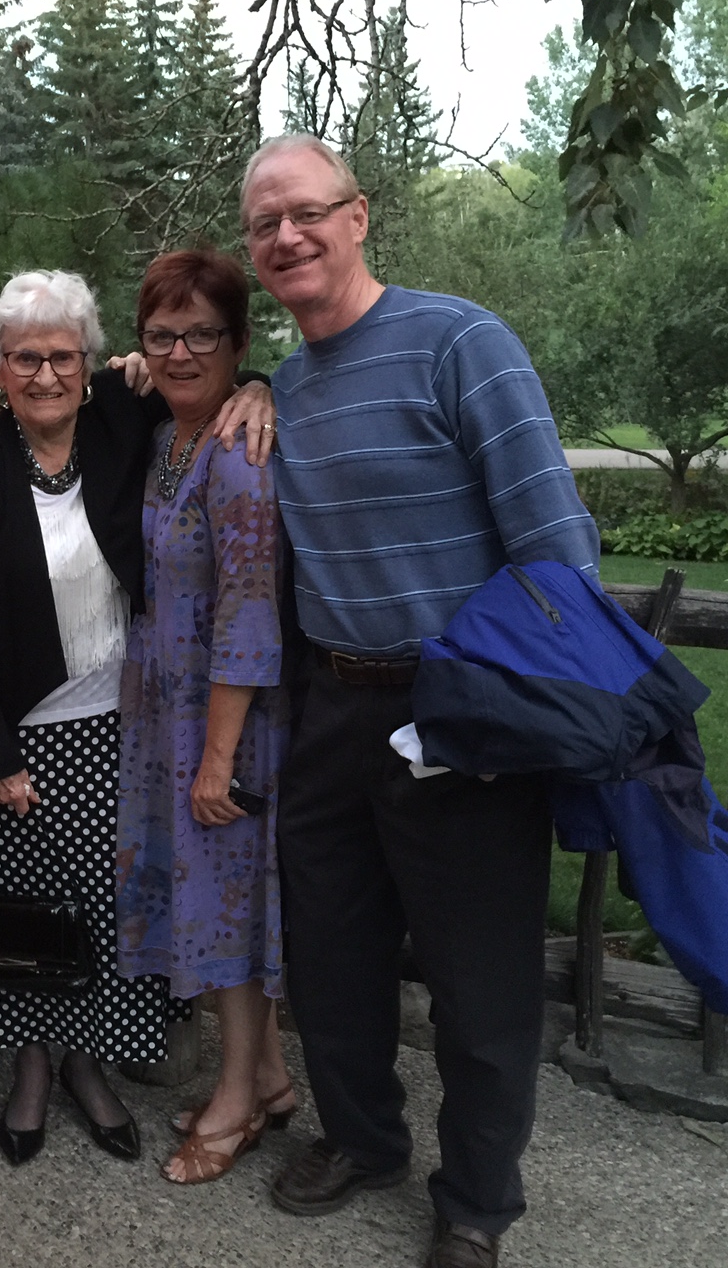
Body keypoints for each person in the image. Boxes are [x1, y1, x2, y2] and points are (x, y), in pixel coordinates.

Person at [242, 134, 600, 1268]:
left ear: (357, 217)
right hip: (333, 706)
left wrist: (519, 707)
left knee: (478, 979)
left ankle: (477, 1200)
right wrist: (231, 379)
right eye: (264, 224)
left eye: (307, 212)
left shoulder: (461, 342)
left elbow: (556, 548)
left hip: (461, 705)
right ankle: (364, 1140)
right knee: (329, 956)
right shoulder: (287, 384)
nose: (287, 236)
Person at [0, 270, 274, 1167]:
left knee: (101, 906)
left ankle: (87, 1064)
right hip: (19, 726)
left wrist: (259, 384)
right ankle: (31, 1068)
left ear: (89, 362)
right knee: (23, 908)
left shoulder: (126, 423)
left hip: (124, 722)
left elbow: (206, 374)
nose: (44, 374)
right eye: (24, 358)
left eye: (61, 356)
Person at [115, 250, 292, 1185]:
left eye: (202, 336)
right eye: (161, 336)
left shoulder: (239, 460)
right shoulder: (168, 437)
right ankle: (268, 1077)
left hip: (224, 723)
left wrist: (218, 758)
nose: (180, 353)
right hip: (168, 710)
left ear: (238, 341)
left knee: (230, 912)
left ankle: (233, 1102)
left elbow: (249, 614)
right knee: (211, 898)